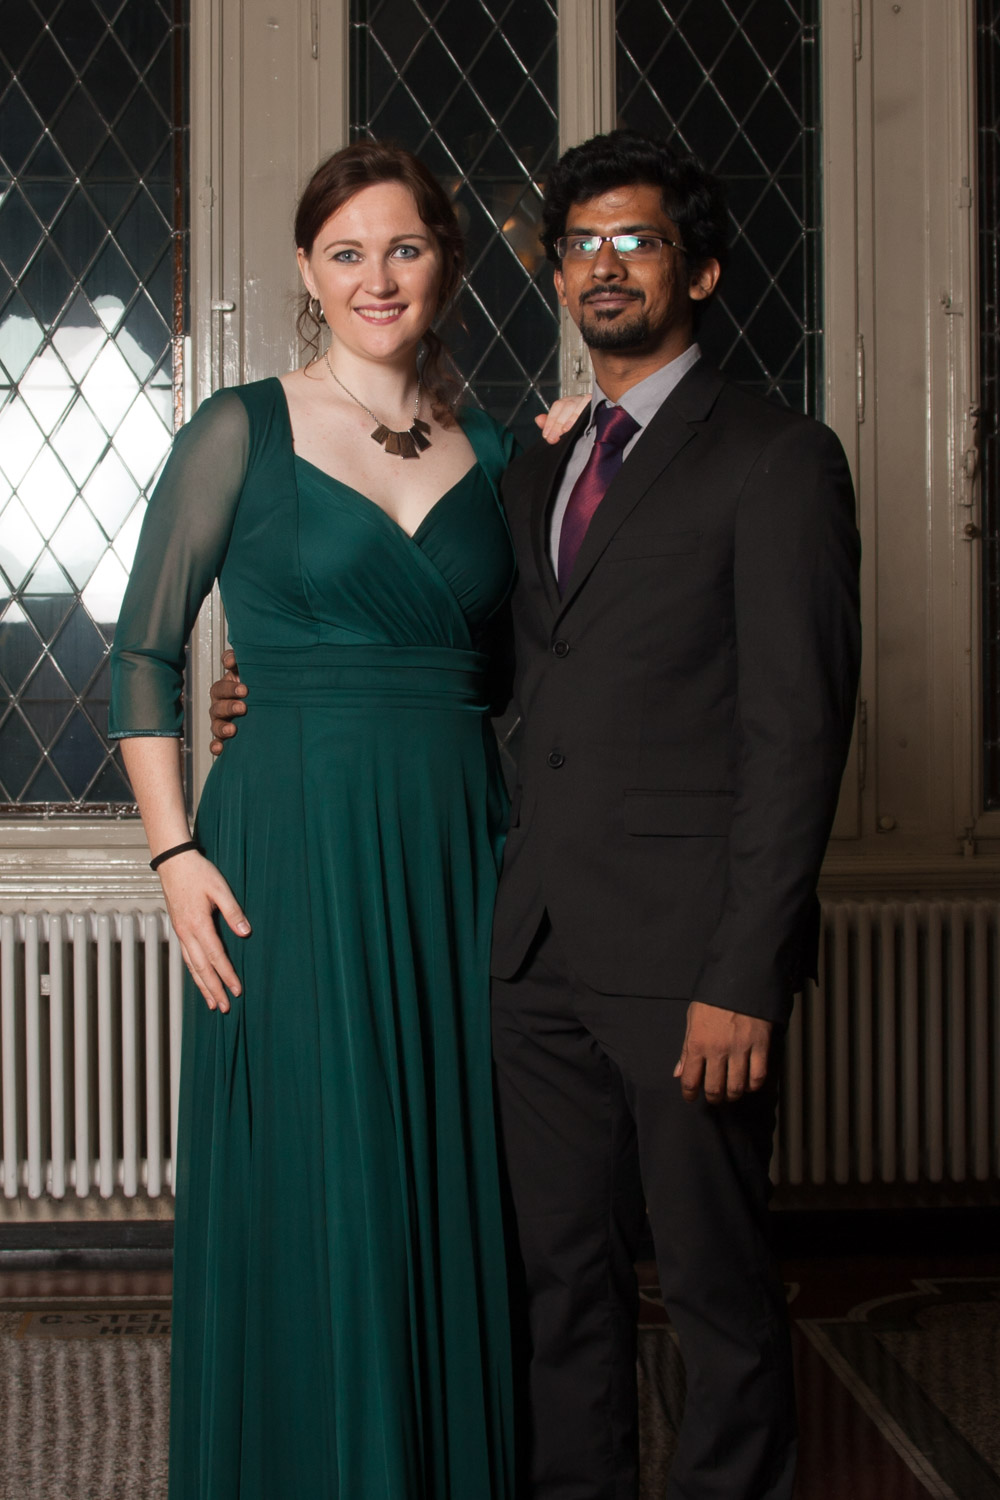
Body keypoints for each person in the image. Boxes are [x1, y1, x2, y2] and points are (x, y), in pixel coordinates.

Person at [212, 129, 861, 1499]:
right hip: (530, 954)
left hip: (689, 962)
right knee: (556, 1283)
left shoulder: (779, 457)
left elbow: (798, 737)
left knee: (716, 1289)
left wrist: (746, 976)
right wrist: (279, 685)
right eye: (581, 245)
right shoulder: (533, 466)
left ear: (701, 271)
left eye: (638, 240)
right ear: (555, 274)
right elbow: (482, 665)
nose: (604, 265)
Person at [110, 139, 581, 1500]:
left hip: (457, 848)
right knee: (318, 1168)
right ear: (308, 274)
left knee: (454, 1168)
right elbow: (143, 655)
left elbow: (536, 671)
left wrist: (576, 459)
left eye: (406, 248)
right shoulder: (240, 429)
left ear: (448, 263)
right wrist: (174, 852)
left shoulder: (505, 452)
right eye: (347, 252)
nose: (379, 277)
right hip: (290, 848)